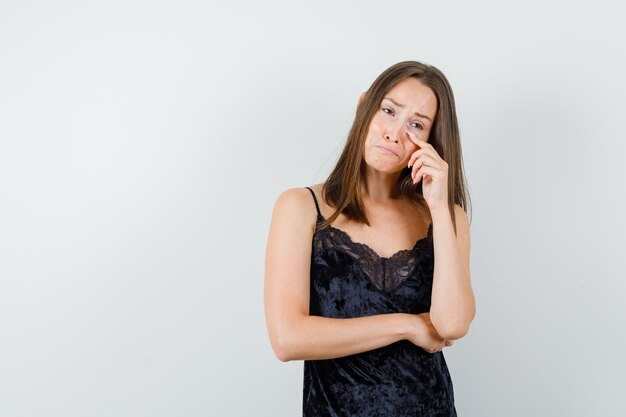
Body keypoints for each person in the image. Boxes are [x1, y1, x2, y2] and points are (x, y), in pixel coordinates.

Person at [264, 60, 475, 416]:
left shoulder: (445, 215)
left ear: (430, 141)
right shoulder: (301, 207)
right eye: (389, 111)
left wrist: (440, 208)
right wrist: (407, 325)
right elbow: (288, 338)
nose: (394, 133)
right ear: (364, 106)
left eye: (416, 125)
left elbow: (452, 324)